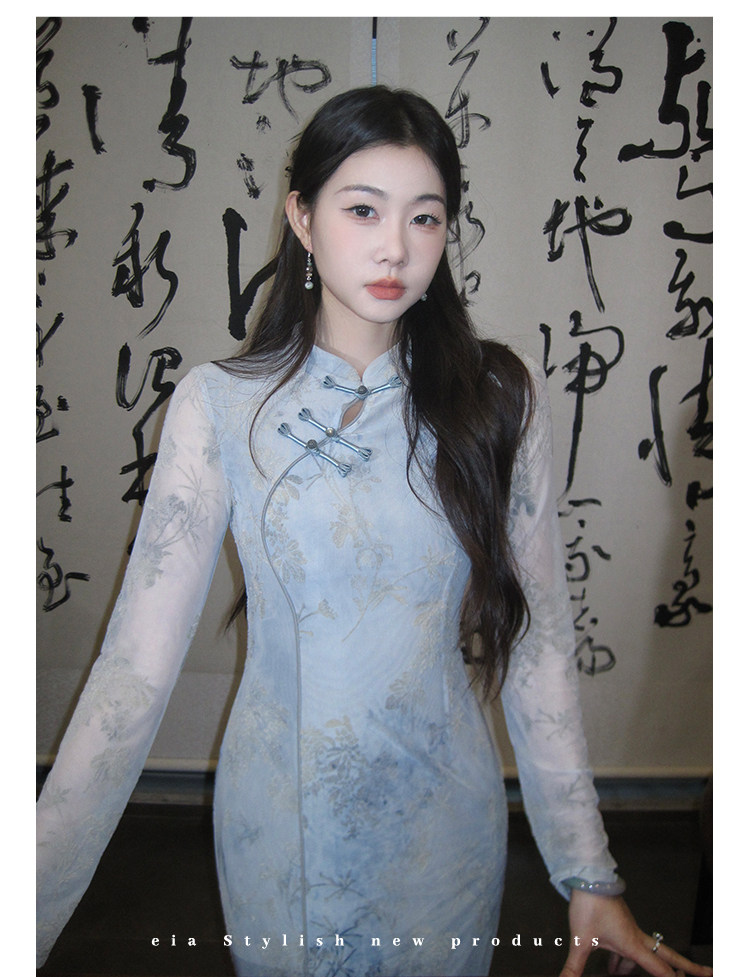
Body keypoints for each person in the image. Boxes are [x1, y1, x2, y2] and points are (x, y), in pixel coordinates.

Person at [36, 86, 711, 977]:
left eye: (424, 217)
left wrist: (588, 871)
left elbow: (539, 639)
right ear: (302, 219)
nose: (396, 246)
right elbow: (133, 671)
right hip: (278, 824)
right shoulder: (222, 406)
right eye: (363, 209)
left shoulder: (497, 398)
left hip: (445, 830)